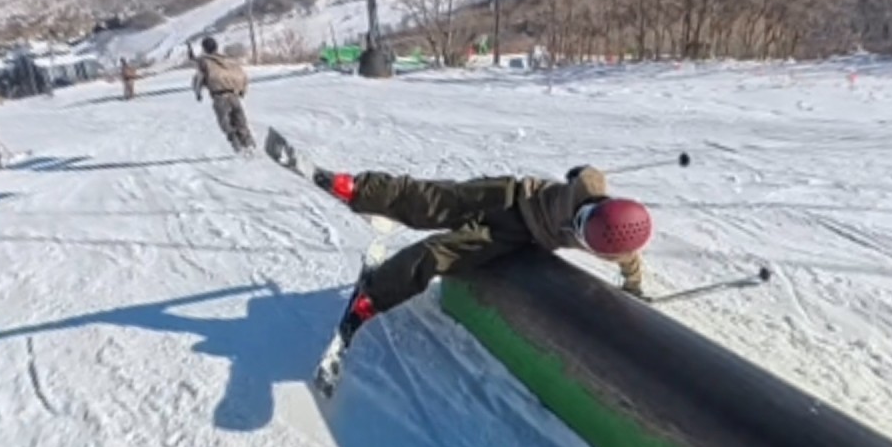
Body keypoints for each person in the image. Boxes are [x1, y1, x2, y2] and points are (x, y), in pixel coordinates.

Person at [275, 144, 652, 341]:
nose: (578, 224)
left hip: (516, 235)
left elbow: (631, 264)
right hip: (509, 194)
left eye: (582, 231)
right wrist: (578, 175)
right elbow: (586, 172)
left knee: (439, 253)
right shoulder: (590, 188)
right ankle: (357, 188)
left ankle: (372, 295)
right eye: (582, 218)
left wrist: (634, 288)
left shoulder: (617, 244)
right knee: (432, 198)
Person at [191, 36, 255, 153]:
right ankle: (249, 143)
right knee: (240, 120)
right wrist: (242, 90)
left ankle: (237, 144)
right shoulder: (227, 60)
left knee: (225, 123)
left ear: (204, 48)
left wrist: (197, 92)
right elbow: (242, 75)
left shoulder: (203, 61)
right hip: (234, 95)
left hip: (219, 96)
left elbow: (199, 78)